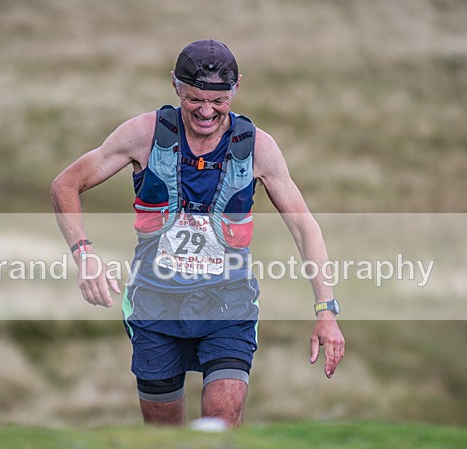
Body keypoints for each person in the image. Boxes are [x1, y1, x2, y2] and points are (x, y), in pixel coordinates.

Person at [51, 39, 344, 428]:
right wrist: (84, 254)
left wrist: (326, 311)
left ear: (236, 87)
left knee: (220, 420)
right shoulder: (143, 134)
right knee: (163, 437)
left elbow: (306, 228)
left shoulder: (258, 147)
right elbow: (65, 184)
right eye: (194, 100)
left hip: (228, 307)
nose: (206, 111)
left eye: (218, 101)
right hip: (155, 307)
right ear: (175, 86)